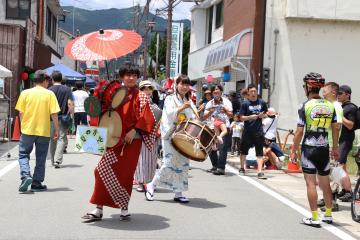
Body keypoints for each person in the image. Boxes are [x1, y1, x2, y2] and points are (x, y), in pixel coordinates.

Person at [82, 65, 156, 221]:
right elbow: (101, 111)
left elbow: (146, 117)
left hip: (131, 141)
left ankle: (124, 208)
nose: (130, 78)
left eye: (134, 75)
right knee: (101, 170)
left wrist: (135, 130)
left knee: (126, 175)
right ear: (122, 76)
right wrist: (102, 96)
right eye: (127, 75)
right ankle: (98, 207)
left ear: (137, 77)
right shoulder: (113, 92)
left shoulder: (141, 96)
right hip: (113, 139)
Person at [290, 72, 339, 227]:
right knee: (325, 183)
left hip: (309, 148)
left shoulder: (305, 105)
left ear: (309, 87)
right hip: (324, 147)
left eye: (305, 85)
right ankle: (329, 215)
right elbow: (336, 127)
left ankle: (315, 217)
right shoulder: (330, 105)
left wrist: (294, 149)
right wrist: (335, 147)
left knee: (310, 184)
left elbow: (299, 131)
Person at [145, 74, 195, 203]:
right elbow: (169, 114)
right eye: (182, 84)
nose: (184, 87)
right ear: (176, 85)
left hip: (184, 136)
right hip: (170, 135)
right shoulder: (170, 99)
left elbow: (195, 119)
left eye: (186, 84)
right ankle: (152, 185)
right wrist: (181, 108)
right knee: (168, 163)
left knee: (183, 163)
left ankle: (178, 192)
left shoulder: (189, 102)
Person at [15, 70, 60, 192]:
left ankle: (25, 175)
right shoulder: (49, 94)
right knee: (41, 157)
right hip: (43, 131)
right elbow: (54, 114)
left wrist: (23, 127)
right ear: (45, 81)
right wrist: (57, 130)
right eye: (48, 81)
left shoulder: (25, 93)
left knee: (23, 154)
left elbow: (20, 113)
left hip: (28, 130)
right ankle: (36, 183)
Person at [134, 80, 162, 192]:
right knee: (140, 160)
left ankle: (149, 182)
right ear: (140, 91)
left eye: (149, 88)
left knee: (151, 159)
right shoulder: (137, 103)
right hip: (139, 134)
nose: (147, 90)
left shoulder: (155, 104)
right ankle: (140, 183)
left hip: (153, 135)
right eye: (144, 88)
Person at [238, 84, 268, 179]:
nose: (253, 93)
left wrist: (262, 115)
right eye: (251, 91)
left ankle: (259, 171)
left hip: (258, 131)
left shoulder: (262, 102)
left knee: (259, 152)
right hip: (247, 131)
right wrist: (251, 117)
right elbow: (241, 117)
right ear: (248, 92)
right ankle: (242, 168)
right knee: (243, 151)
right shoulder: (245, 104)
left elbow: (266, 113)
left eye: (255, 91)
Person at [204, 85, 233, 175]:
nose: (216, 93)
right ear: (212, 93)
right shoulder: (209, 103)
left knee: (222, 148)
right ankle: (215, 166)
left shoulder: (227, 102)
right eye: (214, 92)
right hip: (212, 127)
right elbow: (204, 116)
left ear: (221, 92)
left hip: (224, 126)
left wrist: (225, 111)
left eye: (218, 92)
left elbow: (231, 115)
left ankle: (221, 168)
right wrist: (211, 111)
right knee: (210, 147)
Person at [48, 71, 74, 168]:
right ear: (61, 79)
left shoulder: (49, 90)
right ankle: (57, 161)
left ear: (52, 79)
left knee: (52, 139)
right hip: (63, 117)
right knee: (61, 138)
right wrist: (71, 115)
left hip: (51, 118)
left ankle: (52, 160)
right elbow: (70, 103)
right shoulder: (67, 89)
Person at [336, 85, 357, 202]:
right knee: (342, 165)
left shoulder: (350, 108)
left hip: (346, 139)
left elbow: (350, 125)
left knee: (339, 165)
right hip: (342, 138)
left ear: (347, 94)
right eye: (337, 93)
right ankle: (345, 189)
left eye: (340, 93)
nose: (338, 95)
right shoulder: (343, 107)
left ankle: (349, 192)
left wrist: (339, 115)